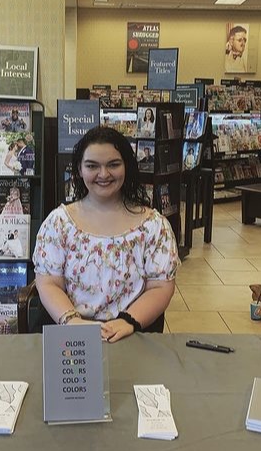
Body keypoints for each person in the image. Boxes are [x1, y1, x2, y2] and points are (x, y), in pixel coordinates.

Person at [33, 126, 179, 342]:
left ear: (127, 166)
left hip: (131, 336)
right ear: (80, 170)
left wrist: (128, 321)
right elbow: (48, 283)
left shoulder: (154, 226)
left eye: (113, 164)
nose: (103, 174)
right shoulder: (59, 223)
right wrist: (72, 321)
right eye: (92, 166)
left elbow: (160, 287)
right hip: (71, 337)